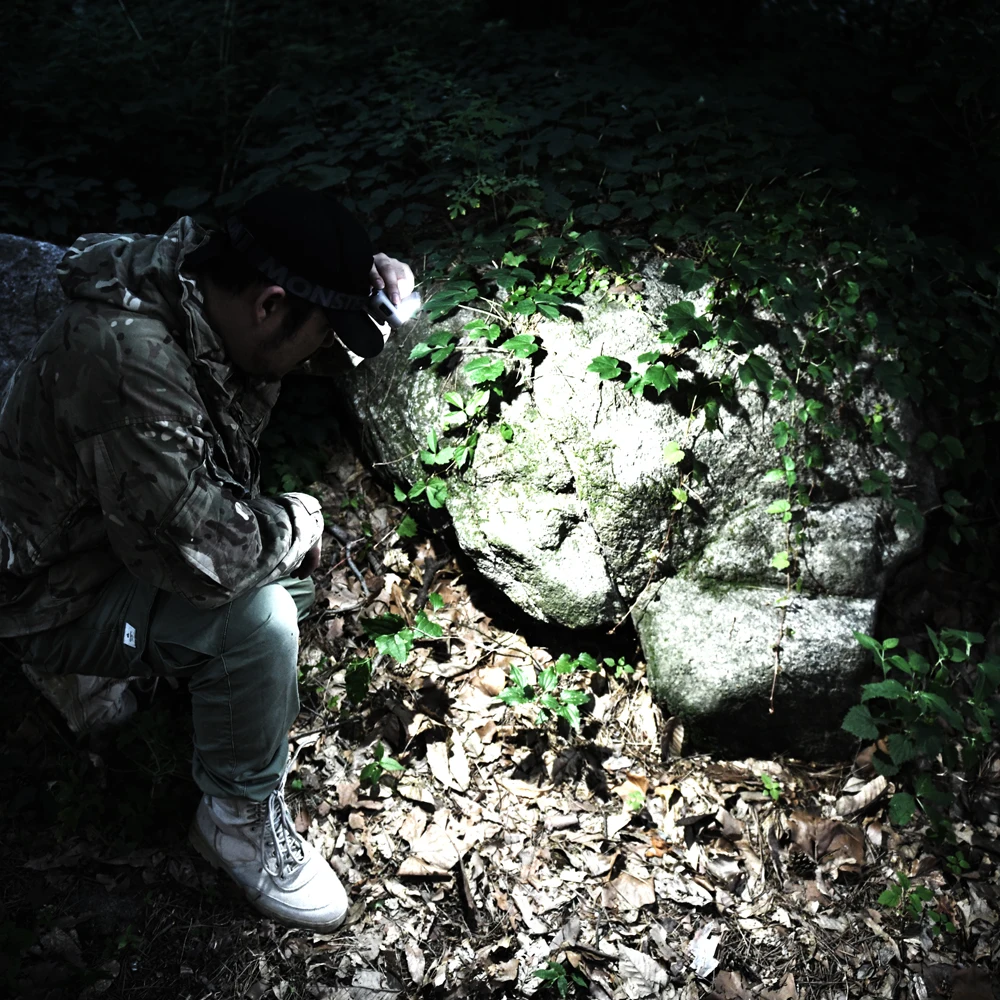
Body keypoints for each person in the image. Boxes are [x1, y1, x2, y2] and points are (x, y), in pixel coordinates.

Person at [0, 186, 415, 932]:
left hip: (87, 532)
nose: (323, 349)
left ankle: (102, 665)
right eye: (319, 329)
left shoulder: (194, 273)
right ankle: (236, 821)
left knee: (275, 581)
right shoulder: (129, 361)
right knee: (263, 617)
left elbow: (295, 346)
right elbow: (212, 558)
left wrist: (370, 301)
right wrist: (300, 518)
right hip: (40, 586)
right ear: (270, 305)